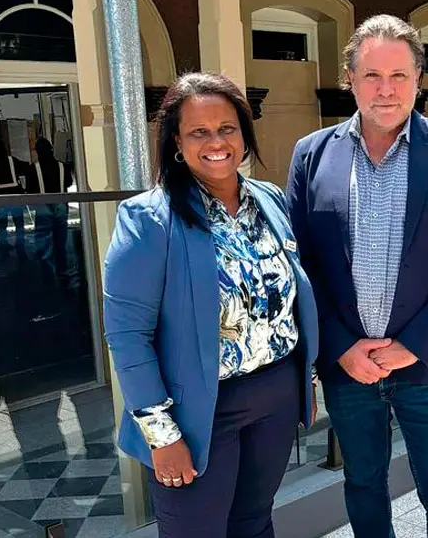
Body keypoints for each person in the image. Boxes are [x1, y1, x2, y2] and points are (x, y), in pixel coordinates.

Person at [286, 14, 428, 537]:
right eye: (372, 76)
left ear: (418, 79)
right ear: (350, 80)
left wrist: (413, 345)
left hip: (427, 363)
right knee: (363, 485)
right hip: (349, 366)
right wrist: (340, 346)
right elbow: (300, 262)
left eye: (399, 75)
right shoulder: (312, 154)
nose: (386, 89)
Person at [103, 72, 319, 538]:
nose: (216, 142)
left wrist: (307, 379)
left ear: (244, 135)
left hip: (276, 397)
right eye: (199, 131)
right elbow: (127, 335)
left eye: (227, 128)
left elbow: (291, 301)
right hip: (197, 412)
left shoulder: (270, 200)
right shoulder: (148, 219)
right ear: (177, 143)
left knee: (254, 524)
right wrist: (162, 435)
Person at [25, 137, 74, 287]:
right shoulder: (63, 166)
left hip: (43, 207)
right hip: (61, 205)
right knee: (61, 241)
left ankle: (48, 275)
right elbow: (69, 183)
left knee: (44, 243)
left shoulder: (33, 169)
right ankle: (63, 272)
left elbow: (30, 190)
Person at [0, 136, 27, 255]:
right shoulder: (12, 160)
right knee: (19, 224)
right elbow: (25, 168)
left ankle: (4, 247)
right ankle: (21, 248)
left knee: (2, 224)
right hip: (15, 196)